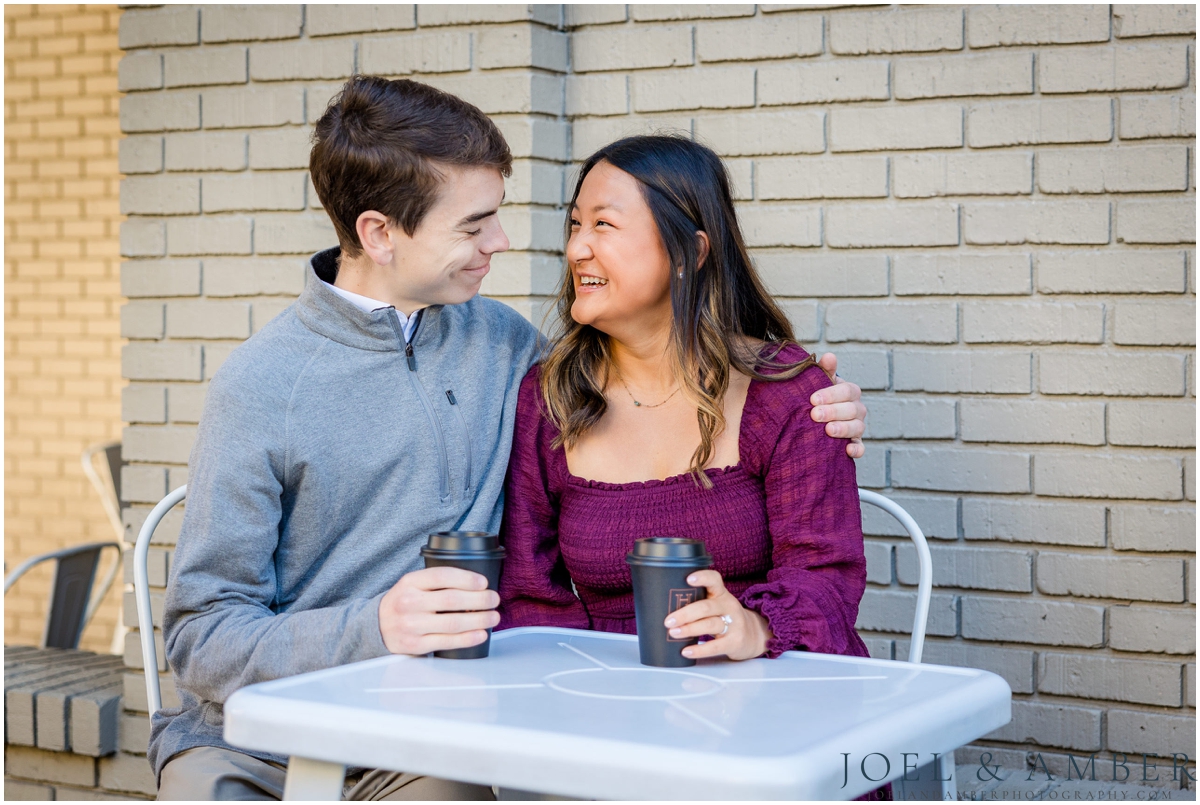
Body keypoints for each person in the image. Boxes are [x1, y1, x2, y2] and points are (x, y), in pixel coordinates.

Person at [150, 76, 869, 801]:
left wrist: (815, 400)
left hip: (421, 732)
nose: (503, 242)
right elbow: (199, 637)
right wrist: (374, 625)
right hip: (253, 739)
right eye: (473, 225)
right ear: (379, 233)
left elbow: (672, 381)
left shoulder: (508, 351)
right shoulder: (262, 385)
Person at [497, 135, 877, 678]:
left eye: (603, 224)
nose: (577, 248)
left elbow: (826, 574)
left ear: (690, 252)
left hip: (768, 684)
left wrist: (753, 627)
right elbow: (530, 597)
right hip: (604, 698)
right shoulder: (550, 397)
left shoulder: (788, 394)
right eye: (575, 224)